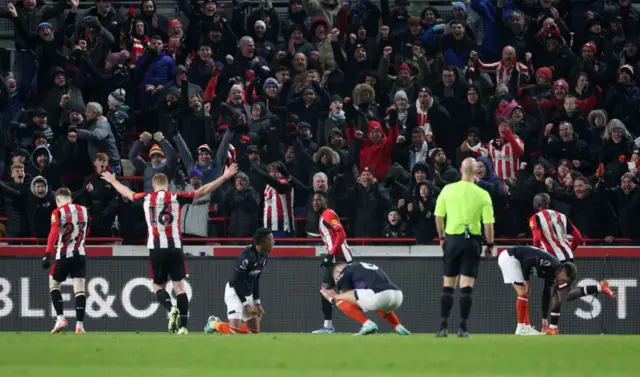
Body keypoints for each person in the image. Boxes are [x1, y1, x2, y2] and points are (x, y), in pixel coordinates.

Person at [101, 163, 238, 334]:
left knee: (158, 287)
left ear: (154, 185)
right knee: (180, 288)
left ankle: (170, 308)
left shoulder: (145, 197)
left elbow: (127, 193)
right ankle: (183, 327)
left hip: (156, 248)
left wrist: (113, 181)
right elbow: (202, 191)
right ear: (167, 185)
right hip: (175, 247)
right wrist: (224, 177)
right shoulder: (175, 197)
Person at [434, 157, 494, 338]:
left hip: (452, 239)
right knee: (466, 285)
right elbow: (488, 224)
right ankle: (463, 328)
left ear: (461, 169)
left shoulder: (447, 190)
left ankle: (443, 327)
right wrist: (490, 244)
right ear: (476, 172)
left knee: (448, 285)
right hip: (472, 241)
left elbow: (438, 217)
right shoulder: (483, 194)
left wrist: (442, 237)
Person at [498, 246, 616, 336]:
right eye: (564, 279)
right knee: (523, 292)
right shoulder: (549, 263)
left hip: (516, 261)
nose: (562, 282)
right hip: (510, 257)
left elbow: (549, 294)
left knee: (525, 293)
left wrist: (544, 318)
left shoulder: (554, 275)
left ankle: (527, 327)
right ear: (563, 271)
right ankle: (520, 328)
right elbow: (528, 261)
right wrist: (526, 280)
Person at [204, 228, 274, 334]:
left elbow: (256, 280)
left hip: (248, 292)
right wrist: (245, 305)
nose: (273, 242)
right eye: (271, 239)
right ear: (262, 242)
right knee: (234, 331)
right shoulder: (245, 256)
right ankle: (213, 324)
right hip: (235, 291)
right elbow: (236, 281)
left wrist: (257, 303)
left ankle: (221, 324)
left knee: (254, 332)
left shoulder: (264, 257)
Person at [40, 188, 90, 334]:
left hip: (63, 255)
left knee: (54, 285)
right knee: (79, 289)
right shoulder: (84, 210)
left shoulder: (58, 212)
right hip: (80, 254)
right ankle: (79, 325)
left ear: (57, 200)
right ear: (70, 198)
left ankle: (61, 317)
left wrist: (47, 253)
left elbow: (54, 233)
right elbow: (87, 231)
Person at [320, 261, 411, 336]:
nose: (336, 280)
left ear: (337, 271)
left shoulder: (344, 272)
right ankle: (398, 326)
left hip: (378, 296)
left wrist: (333, 298)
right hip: (397, 296)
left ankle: (367, 324)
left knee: (340, 299)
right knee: (377, 302)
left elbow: (347, 296)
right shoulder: (361, 267)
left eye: (334, 277)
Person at [312, 190, 353, 334]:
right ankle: (328, 326)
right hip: (334, 259)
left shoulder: (328, 214)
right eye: (314, 200)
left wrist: (330, 254)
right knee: (325, 291)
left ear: (325, 201)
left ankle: (367, 321)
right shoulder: (323, 216)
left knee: (348, 294)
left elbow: (341, 233)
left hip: (339, 258)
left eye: (319, 199)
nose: (316, 202)